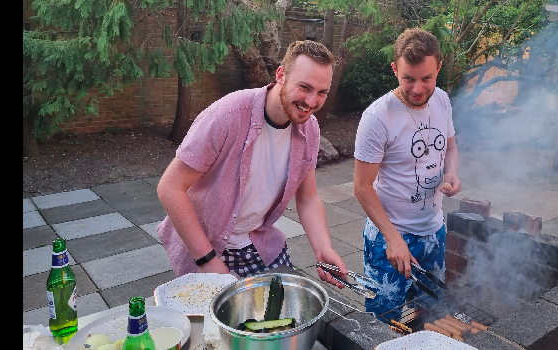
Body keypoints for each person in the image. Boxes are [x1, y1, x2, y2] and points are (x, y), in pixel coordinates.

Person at [155, 40, 348, 288]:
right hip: (209, 245)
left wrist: (324, 249)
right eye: (304, 87)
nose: (311, 102)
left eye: (322, 92)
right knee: (222, 325)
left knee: (285, 316)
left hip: (261, 242)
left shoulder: (310, 128)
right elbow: (170, 188)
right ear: (281, 75)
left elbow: (308, 197)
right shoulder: (226, 116)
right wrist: (206, 260)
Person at [353, 28, 462, 322]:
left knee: (430, 315)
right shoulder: (377, 118)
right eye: (408, 78)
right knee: (383, 321)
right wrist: (392, 238)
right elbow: (362, 187)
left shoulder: (441, 100)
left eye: (426, 78)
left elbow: (450, 147)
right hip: (390, 237)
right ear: (394, 69)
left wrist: (451, 172)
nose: (417, 88)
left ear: (439, 67)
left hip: (434, 232)